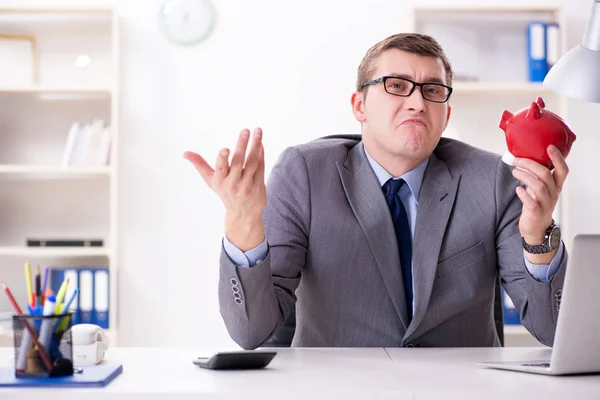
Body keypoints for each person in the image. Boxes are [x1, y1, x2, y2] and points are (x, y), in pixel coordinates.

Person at [184, 33, 569, 349]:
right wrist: (244, 224)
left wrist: (539, 238)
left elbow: (554, 332)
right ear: (359, 105)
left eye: (432, 90)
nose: (417, 103)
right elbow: (253, 334)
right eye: (397, 86)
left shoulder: (492, 180)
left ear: (446, 114)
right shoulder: (304, 174)